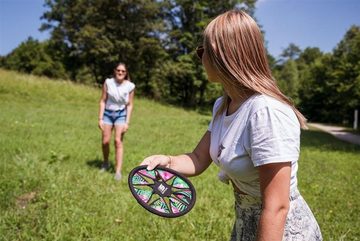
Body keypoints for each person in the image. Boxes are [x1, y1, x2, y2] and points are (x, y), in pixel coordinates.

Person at [141, 10, 322, 241]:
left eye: (201, 51)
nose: (200, 58)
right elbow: (198, 158)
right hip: (246, 222)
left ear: (221, 55)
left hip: (280, 231)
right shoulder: (222, 105)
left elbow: (276, 206)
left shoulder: (265, 112)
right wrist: (167, 161)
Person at [98, 62, 135, 181]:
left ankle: (118, 171)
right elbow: (103, 101)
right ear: (115, 71)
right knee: (105, 141)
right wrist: (100, 118)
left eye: (123, 71)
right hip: (107, 114)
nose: (120, 73)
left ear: (126, 73)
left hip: (121, 115)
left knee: (118, 141)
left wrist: (127, 122)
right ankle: (105, 163)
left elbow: (129, 105)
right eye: (118, 70)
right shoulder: (108, 83)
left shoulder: (130, 86)